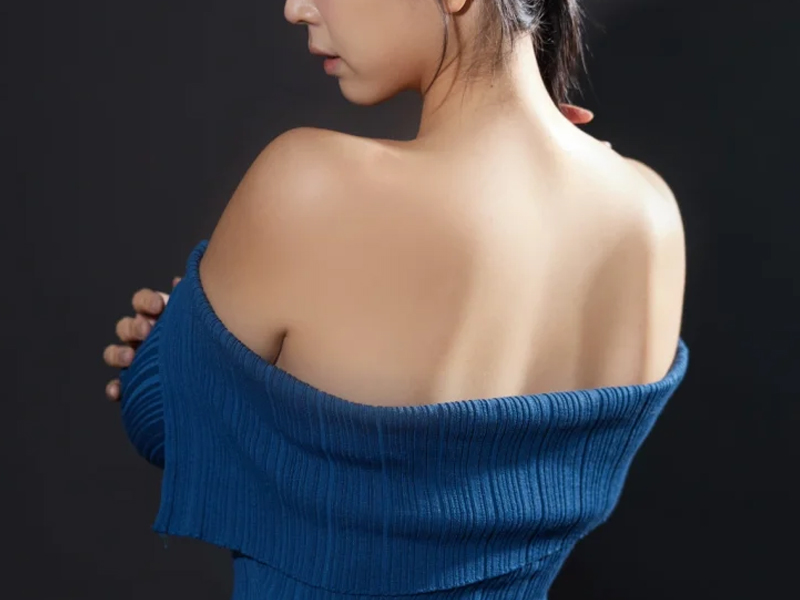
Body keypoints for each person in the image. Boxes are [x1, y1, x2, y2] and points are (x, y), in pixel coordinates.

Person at [102, 0, 688, 597]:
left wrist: (181, 336)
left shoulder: (313, 187)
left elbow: (164, 417)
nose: (295, 9)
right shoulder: (650, 219)